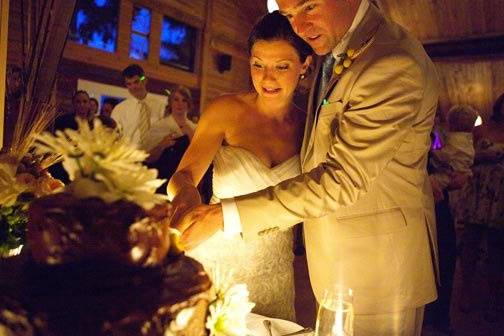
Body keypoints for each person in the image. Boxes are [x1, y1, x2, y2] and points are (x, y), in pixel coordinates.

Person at [173, 1, 439, 334]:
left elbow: (341, 179)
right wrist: (186, 198)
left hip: (376, 271)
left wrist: (223, 216)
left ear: (302, 67)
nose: (299, 26)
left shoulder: (389, 59)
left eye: (308, 6)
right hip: (316, 264)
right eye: (287, 15)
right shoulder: (339, 51)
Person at [167, 11, 313, 321]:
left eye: (281, 67)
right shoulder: (226, 110)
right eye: (257, 64)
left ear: (305, 65)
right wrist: (186, 197)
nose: (266, 78)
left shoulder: (311, 127)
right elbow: (182, 176)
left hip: (275, 274)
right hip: (216, 256)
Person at [425, 105, 477, 335]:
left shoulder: (440, 135)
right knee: (430, 260)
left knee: (445, 257)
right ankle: (429, 319)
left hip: (439, 202)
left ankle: (439, 318)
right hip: (424, 199)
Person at [458, 93, 504, 323]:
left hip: (500, 197)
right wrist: (485, 155)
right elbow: (467, 158)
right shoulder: (482, 129)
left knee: (496, 249)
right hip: (479, 192)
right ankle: (465, 290)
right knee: (471, 243)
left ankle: (492, 299)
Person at [145, 86, 199, 195]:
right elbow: (148, 159)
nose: (180, 104)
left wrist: (190, 134)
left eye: (184, 100)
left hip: (186, 181)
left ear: (188, 104)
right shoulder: (160, 126)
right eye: (176, 99)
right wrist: (162, 145)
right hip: (163, 180)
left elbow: (200, 156)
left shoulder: (195, 128)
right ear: (170, 102)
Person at [111, 64, 165, 150]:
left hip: (155, 157)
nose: (133, 87)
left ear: (144, 80)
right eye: (129, 84)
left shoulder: (161, 106)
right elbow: (113, 137)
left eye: (136, 82)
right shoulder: (119, 109)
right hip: (129, 157)